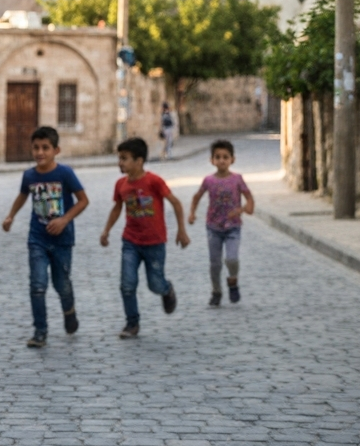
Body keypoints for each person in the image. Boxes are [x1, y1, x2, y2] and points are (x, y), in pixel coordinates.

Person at [1, 127, 89, 348]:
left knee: (62, 284)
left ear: (56, 150)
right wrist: (10, 216)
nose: (40, 152)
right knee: (37, 285)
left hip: (62, 240)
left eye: (45, 148)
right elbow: (23, 196)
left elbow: (83, 201)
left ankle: (69, 311)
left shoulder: (65, 174)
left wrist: (64, 220)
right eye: (36, 148)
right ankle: (40, 331)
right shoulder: (29, 175)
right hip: (37, 238)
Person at [99, 137, 190, 338]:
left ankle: (167, 290)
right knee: (127, 283)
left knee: (155, 284)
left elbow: (175, 203)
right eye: (119, 158)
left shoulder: (154, 181)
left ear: (139, 161)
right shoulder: (121, 184)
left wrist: (181, 230)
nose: (120, 163)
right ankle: (132, 323)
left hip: (155, 243)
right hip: (130, 241)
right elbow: (117, 208)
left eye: (124, 158)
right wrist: (106, 231)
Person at [188, 139, 255, 306]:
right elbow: (197, 196)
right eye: (218, 157)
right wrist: (192, 213)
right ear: (212, 160)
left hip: (233, 227)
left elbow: (249, 201)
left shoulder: (237, 179)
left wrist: (241, 210)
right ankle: (216, 290)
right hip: (213, 227)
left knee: (232, 259)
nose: (222, 160)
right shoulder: (208, 180)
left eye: (225, 157)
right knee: (215, 263)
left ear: (232, 159)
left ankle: (233, 281)